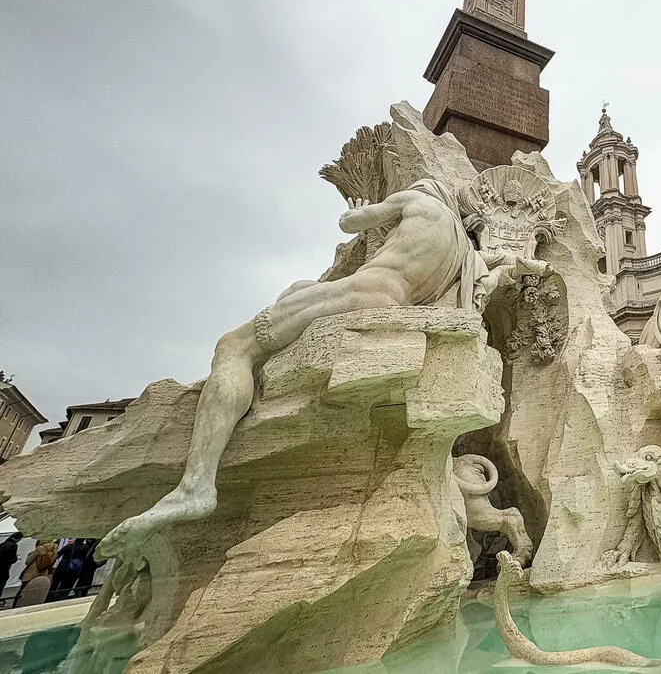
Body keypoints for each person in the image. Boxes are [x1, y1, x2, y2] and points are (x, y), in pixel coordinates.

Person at [98, 180, 550, 563]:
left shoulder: (419, 203)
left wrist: (358, 211)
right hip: (389, 300)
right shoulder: (462, 254)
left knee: (234, 347)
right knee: (298, 291)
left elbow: (351, 222)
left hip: (362, 293)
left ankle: (196, 484)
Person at [14, 540, 55, 607]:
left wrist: (30, 555)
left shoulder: (39, 549)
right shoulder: (53, 550)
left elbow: (28, 561)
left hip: (31, 573)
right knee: (37, 592)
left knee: (22, 592)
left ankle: (16, 607)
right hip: (43, 573)